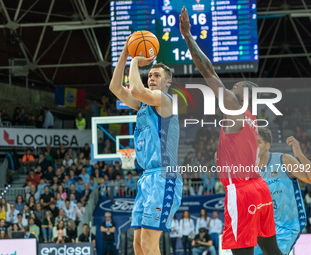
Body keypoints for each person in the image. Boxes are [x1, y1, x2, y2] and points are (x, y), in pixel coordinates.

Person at [179, 7, 283, 255]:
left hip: (242, 191)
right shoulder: (251, 119)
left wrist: (188, 36)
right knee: (271, 250)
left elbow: (208, 71)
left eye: (235, 86)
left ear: (242, 94)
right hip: (260, 187)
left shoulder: (236, 108)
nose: (231, 86)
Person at [109, 35, 182, 255]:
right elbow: (115, 86)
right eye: (149, 74)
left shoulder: (165, 100)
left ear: (167, 82)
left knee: (150, 245)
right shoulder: (143, 105)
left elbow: (137, 91)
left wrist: (135, 61)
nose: (151, 77)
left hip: (163, 176)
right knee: (138, 245)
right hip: (147, 178)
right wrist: (125, 52)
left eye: (156, 75)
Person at [254, 128, 310, 255]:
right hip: (265, 227)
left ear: (267, 145)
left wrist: (300, 155)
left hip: (288, 226)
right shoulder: (251, 171)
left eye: (258, 142)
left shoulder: (283, 160)